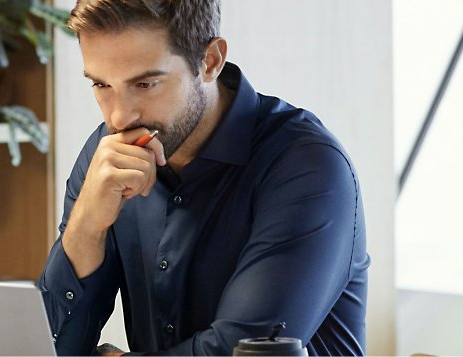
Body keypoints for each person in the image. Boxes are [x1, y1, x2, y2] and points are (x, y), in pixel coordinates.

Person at [37, 0, 371, 355]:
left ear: (209, 61)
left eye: (145, 84)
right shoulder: (107, 158)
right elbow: (47, 345)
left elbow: (243, 352)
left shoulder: (309, 168)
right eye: (102, 85)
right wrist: (86, 227)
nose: (119, 117)